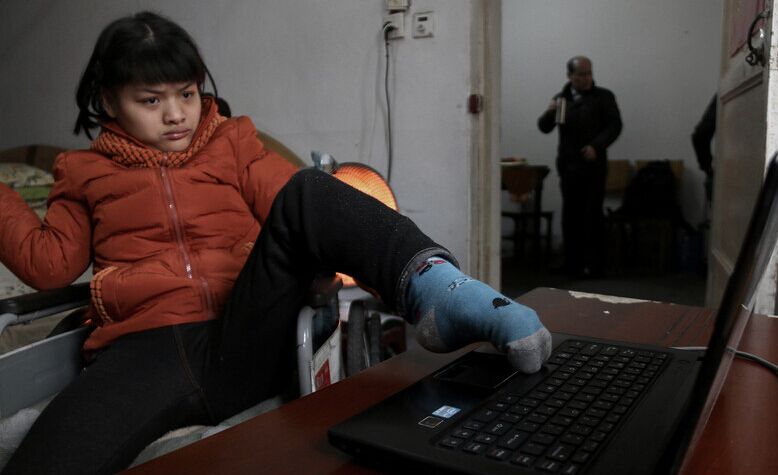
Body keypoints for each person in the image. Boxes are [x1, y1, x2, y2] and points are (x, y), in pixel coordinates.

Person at [0, 12, 551, 474]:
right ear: (109, 100)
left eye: (186, 94)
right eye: (150, 100)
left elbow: (302, 215)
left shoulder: (231, 142)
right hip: (143, 349)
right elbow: (49, 264)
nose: (176, 114)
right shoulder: (82, 170)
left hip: (245, 330)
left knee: (307, 189)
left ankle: (435, 291)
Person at [538, 56, 622, 277]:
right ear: (570, 76)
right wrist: (549, 112)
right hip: (569, 166)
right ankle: (572, 263)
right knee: (570, 215)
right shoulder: (561, 99)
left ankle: (595, 265)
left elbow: (615, 126)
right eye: (581, 74)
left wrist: (596, 146)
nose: (586, 78)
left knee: (593, 214)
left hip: (594, 166)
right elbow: (544, 127)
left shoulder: (603, 97)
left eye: (589, 73)